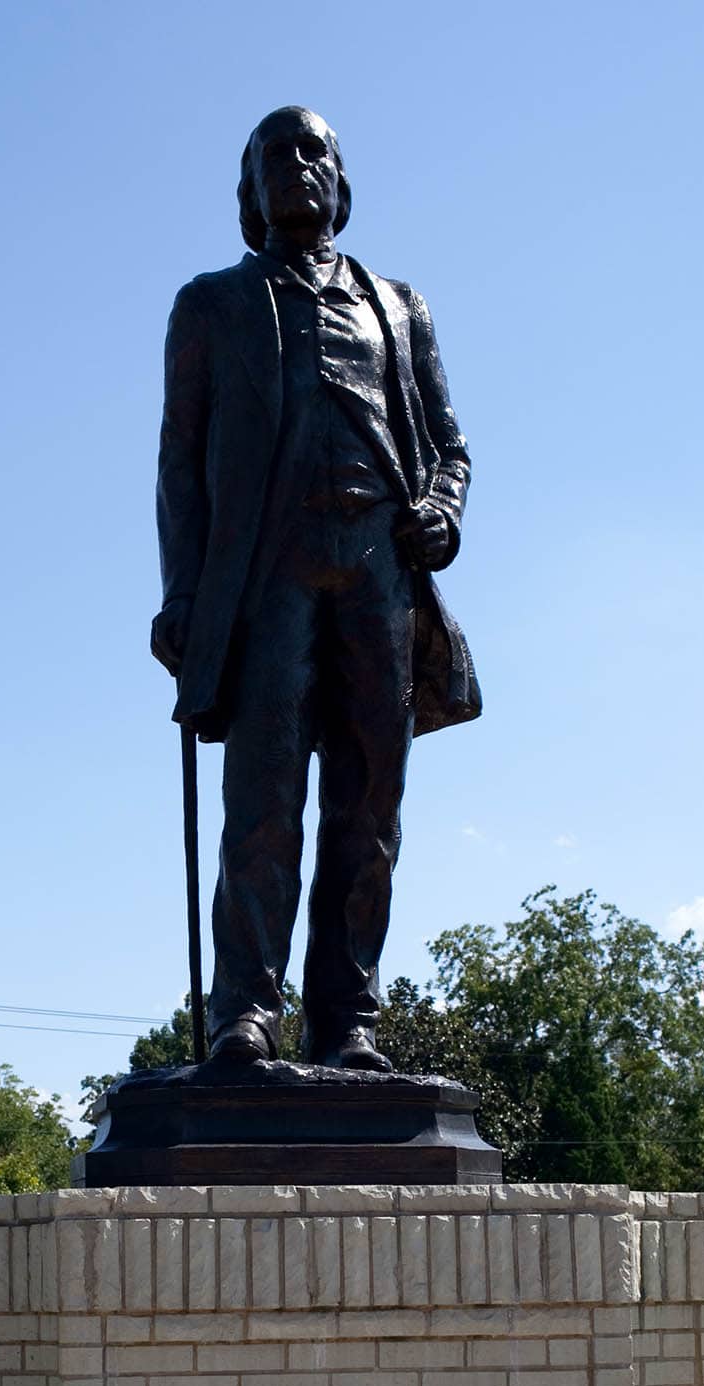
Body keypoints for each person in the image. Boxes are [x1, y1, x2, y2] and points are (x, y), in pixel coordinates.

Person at [152, 106, 479, 1070]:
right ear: (248, 195)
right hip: (266, 577)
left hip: (379, 573)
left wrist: (443, 510)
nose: (297, 167)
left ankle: (349, 1021)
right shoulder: (211, 306)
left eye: (315, 153)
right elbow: (180, 462)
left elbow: (450, 447)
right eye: (273, 157)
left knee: (369, 804)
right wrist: (182, 597)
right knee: (261, 802)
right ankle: (245, 1012)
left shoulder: (401, 304)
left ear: (341, 183)